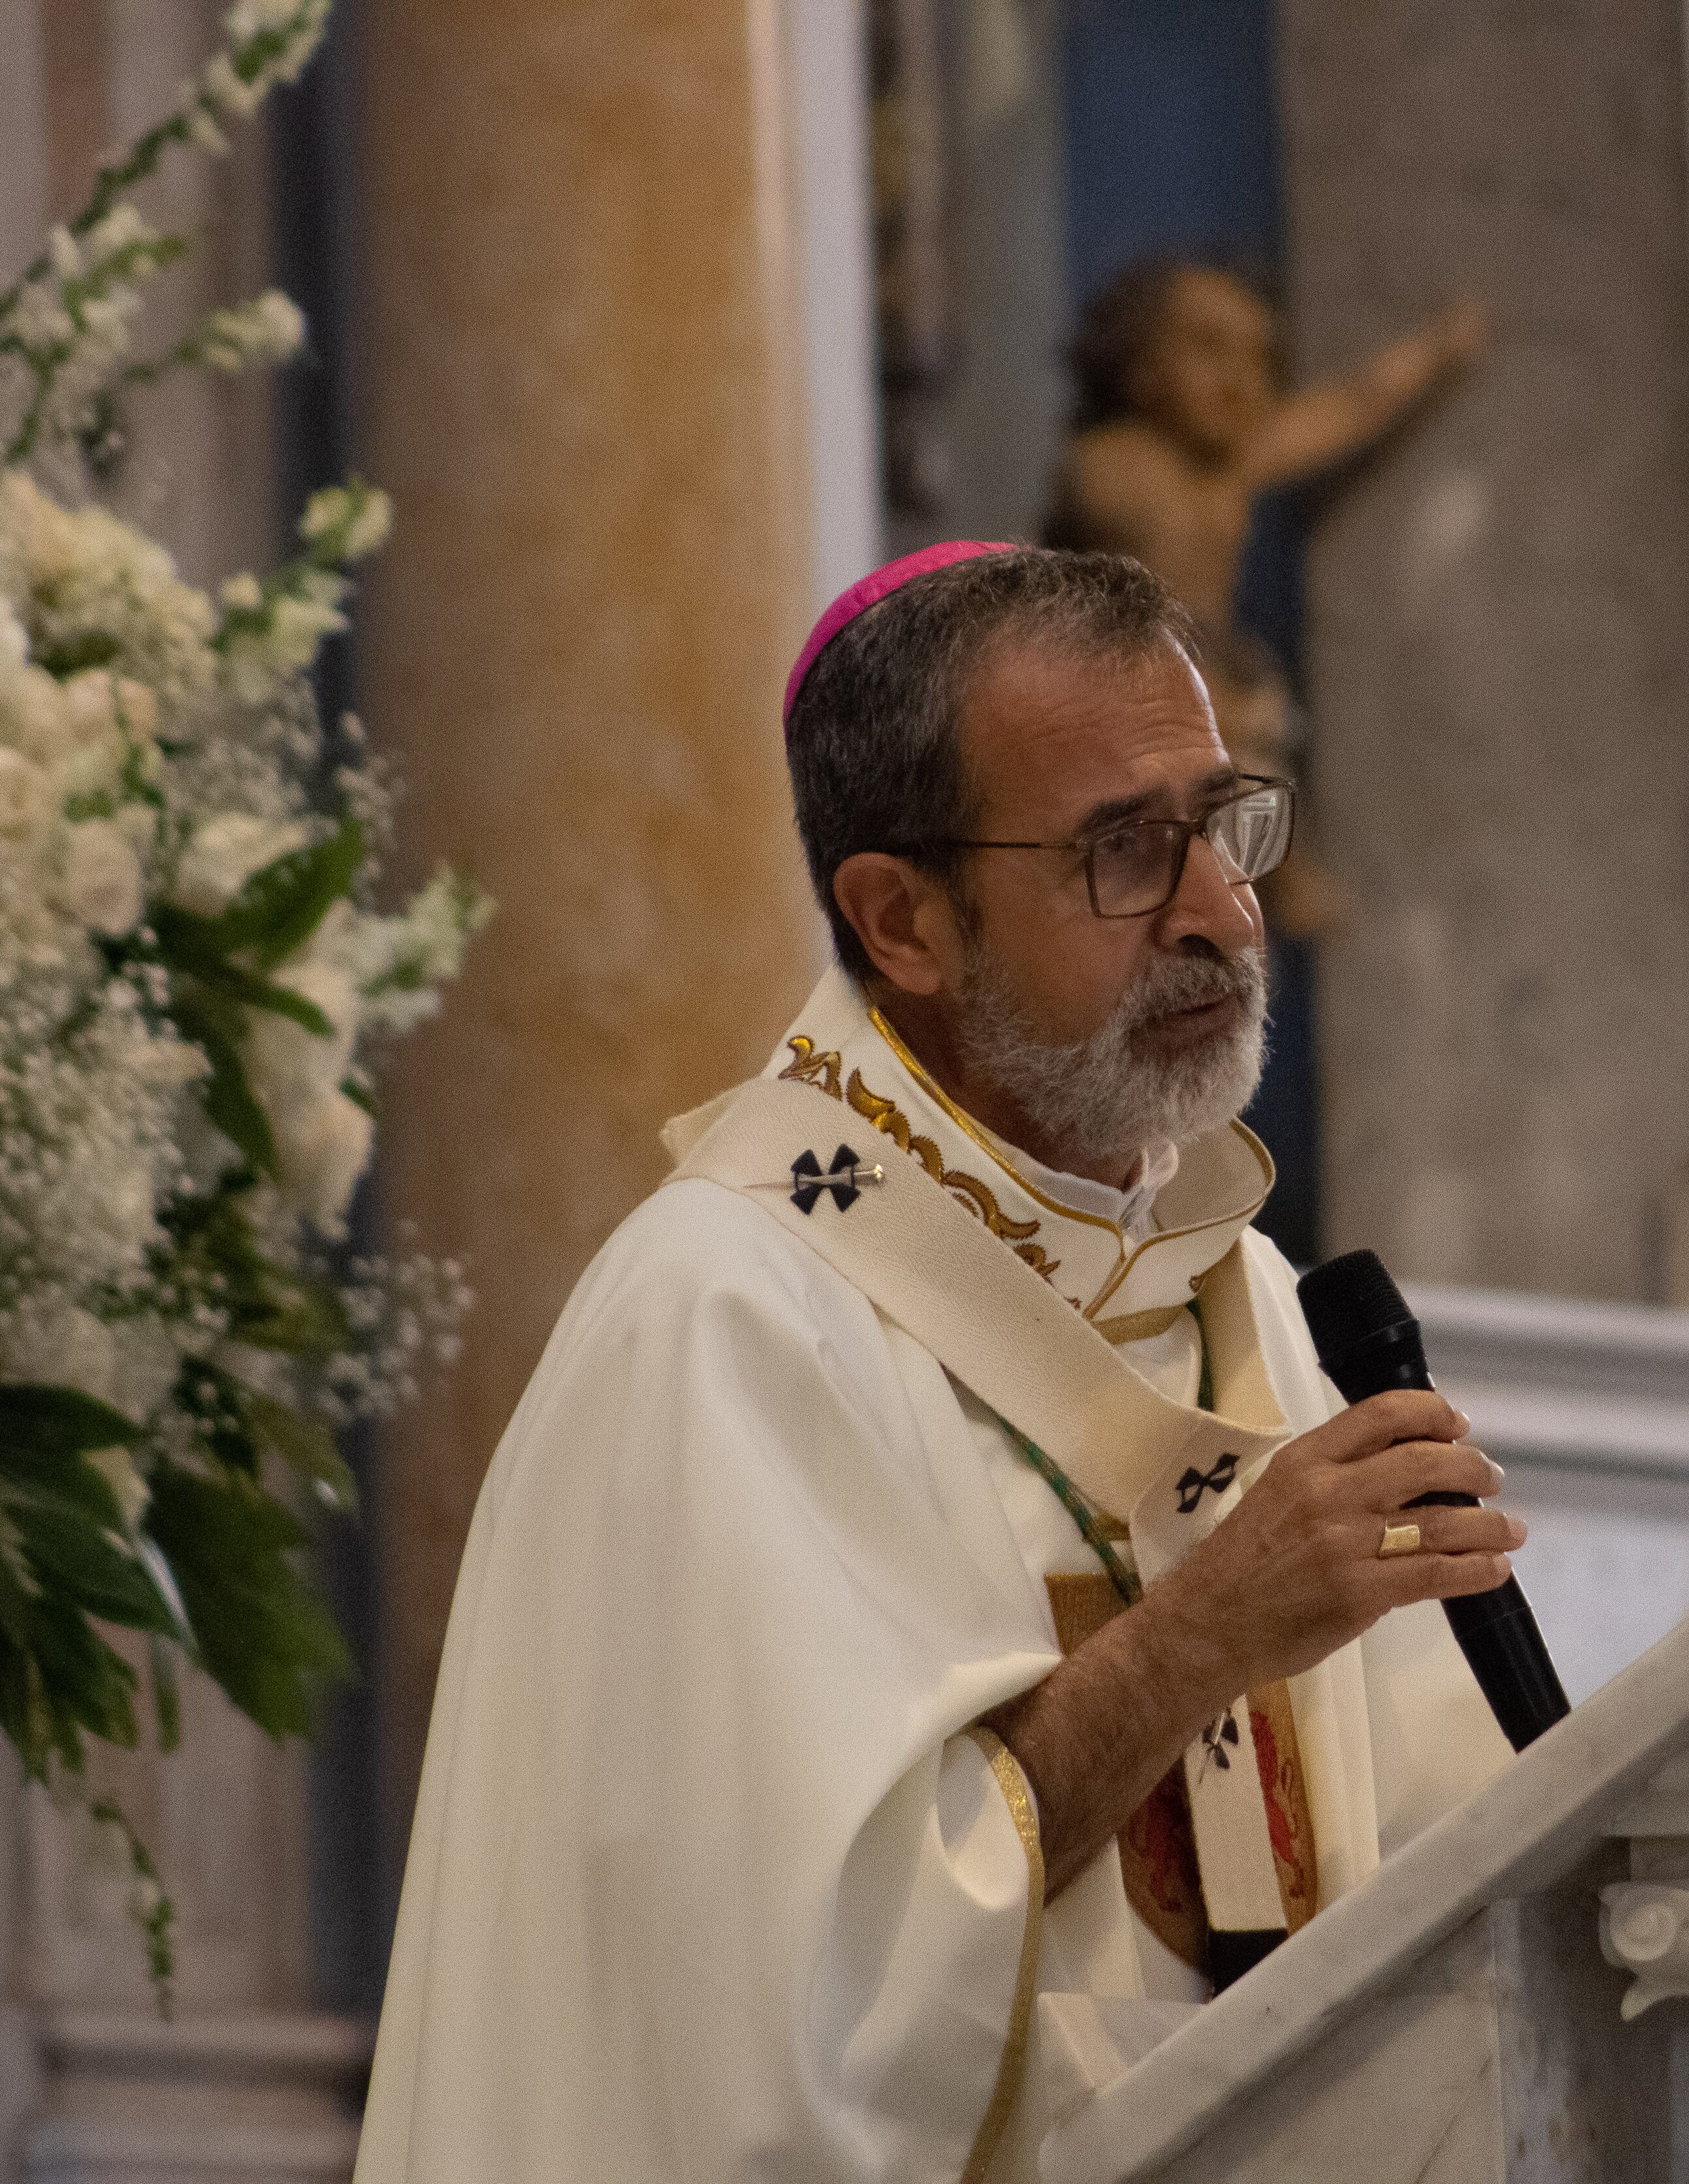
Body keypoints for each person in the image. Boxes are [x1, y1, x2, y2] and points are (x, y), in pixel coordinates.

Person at [353, 543, 1523, 2184]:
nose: (1215, 912)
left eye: (1223, 824)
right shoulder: (732, 1315)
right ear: (901, 922)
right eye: (1124, 854)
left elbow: (1468, 1870)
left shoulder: (1238, 1297)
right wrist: (1199, 1637)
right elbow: (786, 2018)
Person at [1046, 258, 1485, 933]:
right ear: (1140, 367)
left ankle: (1270, 878)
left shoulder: (1232, 463)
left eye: (1259, 358)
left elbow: (1351, 405)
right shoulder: (1113, 466)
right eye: (1207, 348)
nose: (1238, 381)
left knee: (1248, 763)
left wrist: (1437, 349)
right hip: (1125, 683)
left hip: (1214, 677)